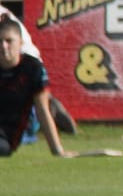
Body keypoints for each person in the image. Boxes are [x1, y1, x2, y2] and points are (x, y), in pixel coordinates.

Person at [1, 17, 72, 158]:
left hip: (5, 138)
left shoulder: (32, 68)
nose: (4, 46)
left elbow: (42, 110)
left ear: (21, 43)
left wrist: (57, 150)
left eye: (9, 41)